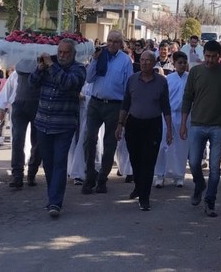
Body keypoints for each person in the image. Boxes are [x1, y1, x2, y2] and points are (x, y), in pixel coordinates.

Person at [180, 40, 221, 217]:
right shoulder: (196, 72)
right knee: (194, 162)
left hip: (218, 126)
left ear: (219, 56)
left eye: (214, 57)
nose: (210, 60)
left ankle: (210, 200)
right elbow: (187, 98)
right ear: (203, 54)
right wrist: (183, 123)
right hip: (197, 124)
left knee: (214, 166)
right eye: (207, 56)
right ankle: (199, 185)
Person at [32, 38, 87, 218]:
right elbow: (32, 83)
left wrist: (51, 66)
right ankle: (52, 196)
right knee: (48, 163)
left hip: (63, 125)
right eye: (60, 52)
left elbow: (68, 83)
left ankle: (55, 202)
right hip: (43, 123)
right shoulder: (48, 67)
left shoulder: (78, 69)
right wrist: (40, 69)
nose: (62, 56)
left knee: (59, 163)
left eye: (66, 53)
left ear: (73, 54)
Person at [115, 50, 173, 211]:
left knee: (149, 161)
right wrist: (120, 124)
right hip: (133, 124)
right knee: (135, 159)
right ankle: (139, 186)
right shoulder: (132, 80)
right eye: (142, 60)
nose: (145, 63)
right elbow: (125, 104)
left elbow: (166, 106)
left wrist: (169, 129)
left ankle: (144, 197)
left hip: (153, 125)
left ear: (154, 63)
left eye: (148, 60)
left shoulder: (161, 81)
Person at [83, 29, 133, 194]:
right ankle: (90, 175)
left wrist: (125, 113)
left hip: (114, 105)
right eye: (109, 41)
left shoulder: (125, 61)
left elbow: (128, 87)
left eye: (115, 42)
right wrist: (95, 61)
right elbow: (89, 78)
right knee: (89, 139)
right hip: (96, 103)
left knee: (110, 142)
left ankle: (102, 178)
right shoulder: (99, 56)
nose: (111, 44)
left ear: (120, 44)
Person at [154, 51, 189, 188]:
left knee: (181, 146)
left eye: (184, 63)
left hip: (184, 115)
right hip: (168, 114)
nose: (182, 65)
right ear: (174, 63)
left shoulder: (190, 78)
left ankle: (178, 175)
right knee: (163, 145)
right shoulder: (168, 79)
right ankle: (160, 174)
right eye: (179, 62)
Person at [7, 55, 43, 189]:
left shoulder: (41, 59)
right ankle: (18, 174)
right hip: (21, 103)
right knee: (18, 140)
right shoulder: (23, 60)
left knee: (37, 141)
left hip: (35, 104)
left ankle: (31, 172)